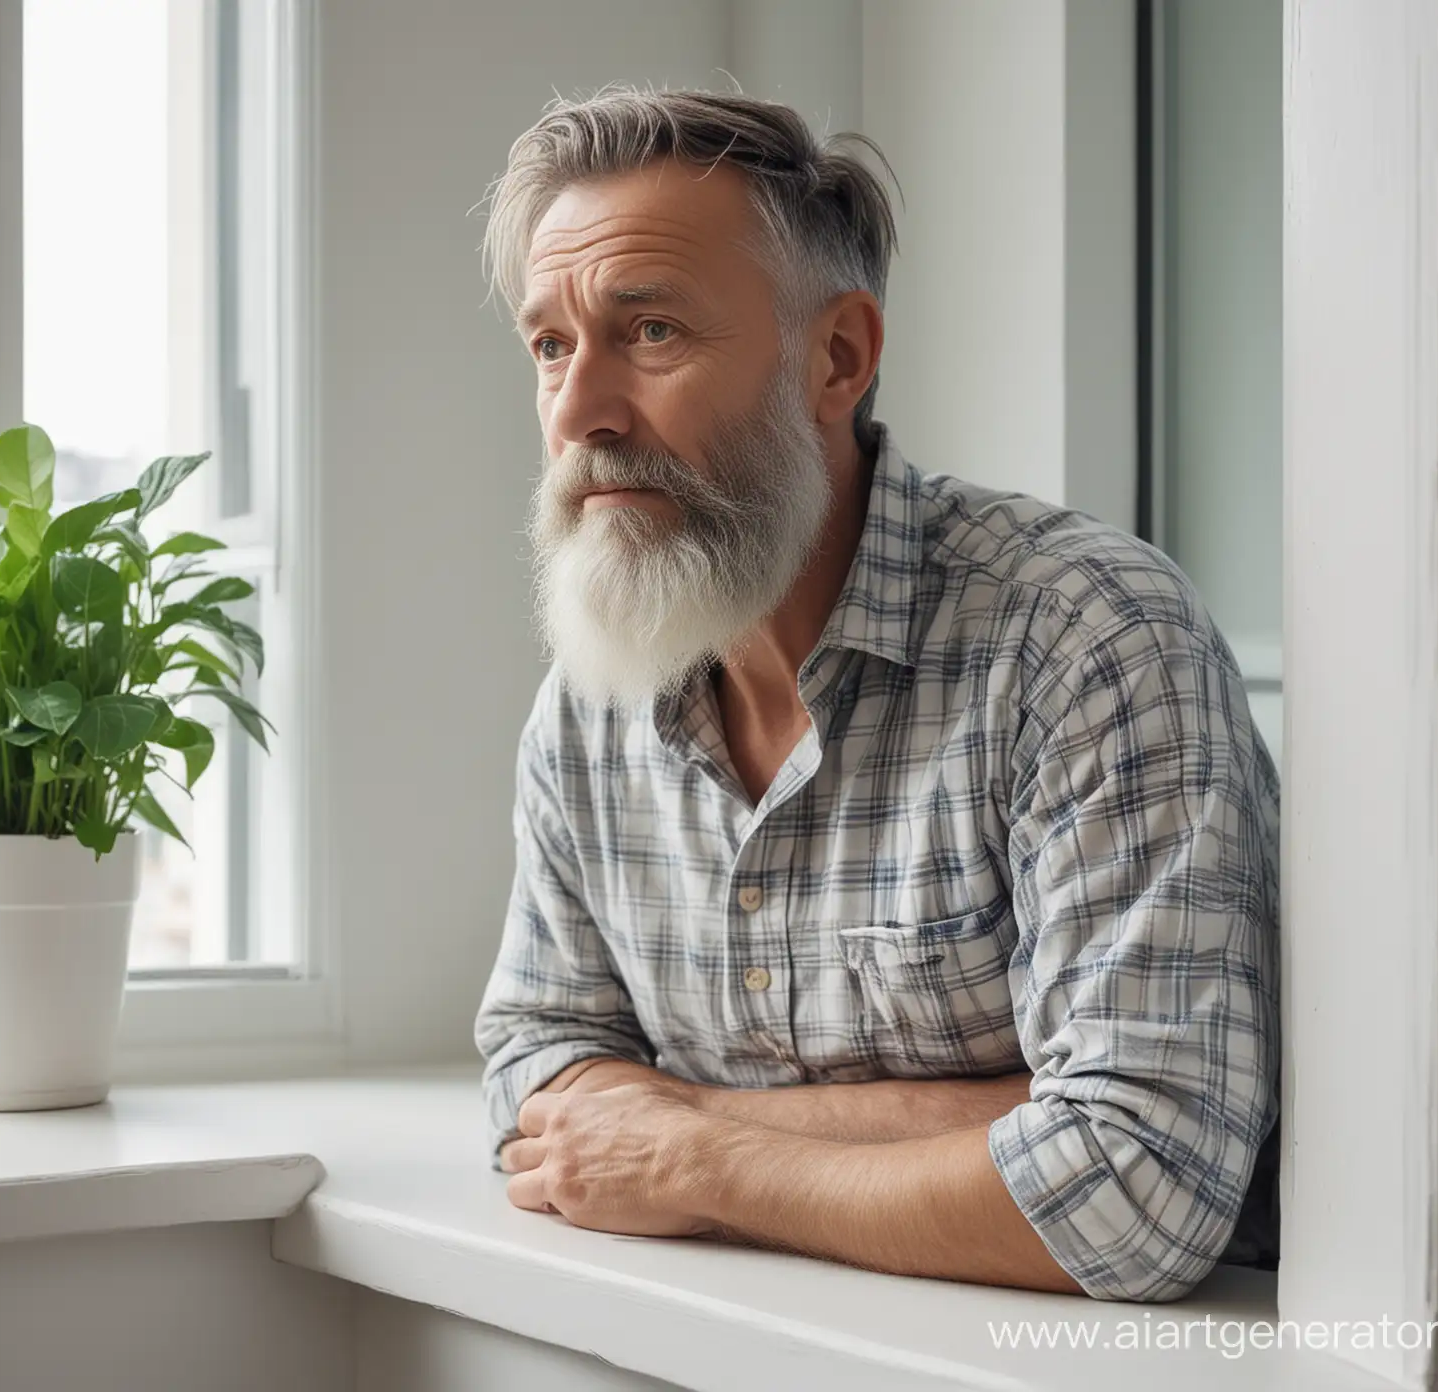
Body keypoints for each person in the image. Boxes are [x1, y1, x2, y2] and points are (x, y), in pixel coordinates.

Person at [473, 87, 1279, 1302]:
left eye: (649, 333)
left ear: (835, 358)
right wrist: (995, 1124)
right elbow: (539, 1067)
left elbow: (1136, 1182)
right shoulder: (590, 705)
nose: (579, 411)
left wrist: (693, 1149)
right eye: (550, 345)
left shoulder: (1085, 637)